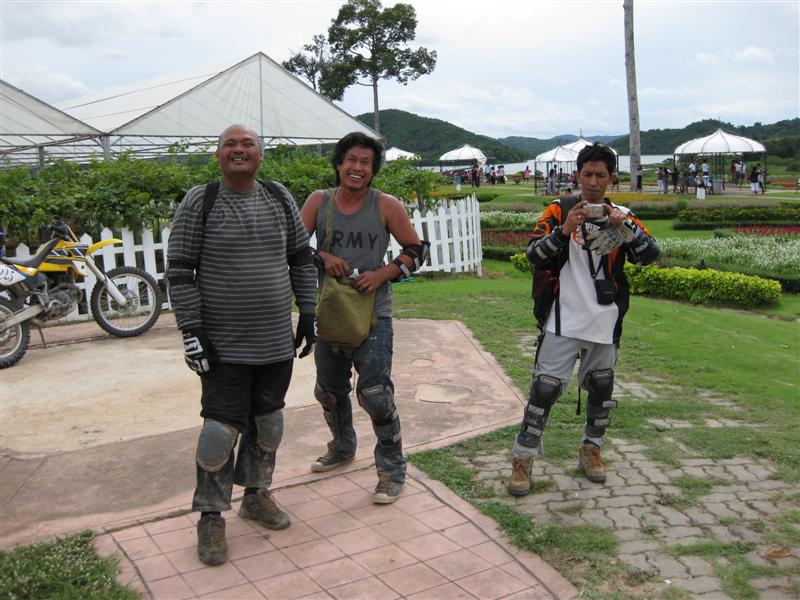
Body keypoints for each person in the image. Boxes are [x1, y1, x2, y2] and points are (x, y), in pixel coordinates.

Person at [166, 124, 318, 566]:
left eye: (247, 144)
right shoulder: (201, 200)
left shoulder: (278, 196)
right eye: (229, 144)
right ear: (218, 156)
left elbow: (300, 259)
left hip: (275, 341)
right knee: (219, 431)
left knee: (268, 423)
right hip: (223, 345)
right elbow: (180, 270)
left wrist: (308, 312)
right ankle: (210, 515)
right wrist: (191, 330)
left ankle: (256, 495)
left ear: (260, 155)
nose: (238, 150)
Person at [506, 143, 660, 497]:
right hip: (562, 317)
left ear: (612, 178)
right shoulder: (558, 210)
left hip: (605, 318)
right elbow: (533, 255)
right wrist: (564, 230)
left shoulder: (622, 214)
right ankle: (523, 458)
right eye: (587, 174)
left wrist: (626, 228)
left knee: (602, 388)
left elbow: (650, 254)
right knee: (544, 390)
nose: (593, 182)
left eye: (600, 175)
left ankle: (592, 448)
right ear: (577, 175)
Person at [300, 132, 428, 504]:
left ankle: (392, 469)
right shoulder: (319, 202)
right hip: (332, 312)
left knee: (375, 395)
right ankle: (342, 446)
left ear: (373, 171)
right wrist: (322, 257)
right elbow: (292, 246)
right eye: (351, 160)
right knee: (328, 391)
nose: (357, 168)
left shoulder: (386, 205)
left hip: (374, 315)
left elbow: (417, 251)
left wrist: (382, 274)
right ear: (339, 163)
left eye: (365, 163)